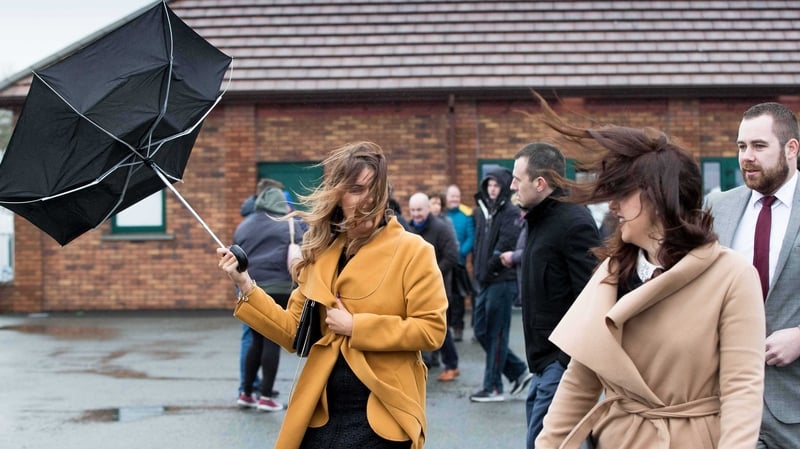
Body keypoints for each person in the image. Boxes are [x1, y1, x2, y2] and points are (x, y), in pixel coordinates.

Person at [533, 97, 766, 449]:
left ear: (658, 198)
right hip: (618, 439)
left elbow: (742, 390)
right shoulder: (611, 273)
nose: (612, 205)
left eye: (622, 194)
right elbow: (579, 381)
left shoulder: (732, 275)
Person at [217, 141, 448, 449]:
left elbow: (432, 329)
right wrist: (245, 284)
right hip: (322, 413)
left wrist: (357, 327)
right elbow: (293, 333)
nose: (367, 200)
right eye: (356, 189)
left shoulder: (413, 251)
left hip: (384, 413)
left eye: (374, 190)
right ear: (337, 196)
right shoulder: (322, 252)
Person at [705, 102, 800, 449]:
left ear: (791, 149)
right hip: (728, 406)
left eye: (759, 146)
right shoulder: (718, 208)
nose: (747, 157)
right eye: (741, 146)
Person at [507, 142, 600, 447]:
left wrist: (564, 361)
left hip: (560, 366)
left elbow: (591, 299)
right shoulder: (537, 220)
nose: (512, 186)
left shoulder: (573, 223)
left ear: (540, 183)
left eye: (517, 179)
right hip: (542, 366)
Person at [234, 184, 305, 412]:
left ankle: (246, 393)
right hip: (280, 287)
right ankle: (266, 396)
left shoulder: (244, 226)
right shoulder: (289, 224)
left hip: (251, 287)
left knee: (255, 340)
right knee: (272, 339)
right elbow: (304, 249)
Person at [470, 168, 530, 402]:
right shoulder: (483, 211)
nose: (492, 189)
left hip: (502, 280)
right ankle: (518, 371)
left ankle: (493, 387)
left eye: (496, 185)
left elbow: (506, 243)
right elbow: (479, 244)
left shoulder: (510, 212)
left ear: (503, 187)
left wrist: (490, 267)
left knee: (496, 333)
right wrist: (479, 272)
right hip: (485, 280)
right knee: (480, 330)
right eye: (489, 185)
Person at [408, 192, 461, 382]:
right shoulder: (409, 229)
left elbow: (452, 255)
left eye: (419, 210)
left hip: (438, 289)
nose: (416, 214)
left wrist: (432, 274)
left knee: (441, 329)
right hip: (415, 289)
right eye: (413, 210)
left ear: (428, 209)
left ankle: (452, 365)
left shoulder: (441, 228)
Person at [444, 184, 474, 342]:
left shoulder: (466, 215)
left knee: (458, 298)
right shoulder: (442, 214)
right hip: (444, 264)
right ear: (446, 198)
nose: (454, 199)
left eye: (457, 196)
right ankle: (445, 327)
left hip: (459, 264)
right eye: (452, 196)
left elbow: (471, 238)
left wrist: (460, 253)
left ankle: (458, 327)